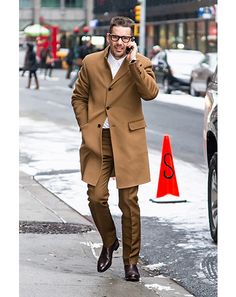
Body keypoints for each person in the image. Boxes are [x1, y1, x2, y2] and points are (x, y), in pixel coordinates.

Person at [71, 16, 159, 281]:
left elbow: (150, 93)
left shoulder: (141, 63)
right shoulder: (91, 62)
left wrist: (133, 64)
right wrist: (85, 125)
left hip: (129, 141)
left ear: (131, 40)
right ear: (108, 37)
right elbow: (78, 97)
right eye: (115, 37)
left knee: (128, 202)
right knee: (96, 196)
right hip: (98, 139)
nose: (120, 42)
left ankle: (131, 262)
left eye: (125, 38)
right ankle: (110, 242)